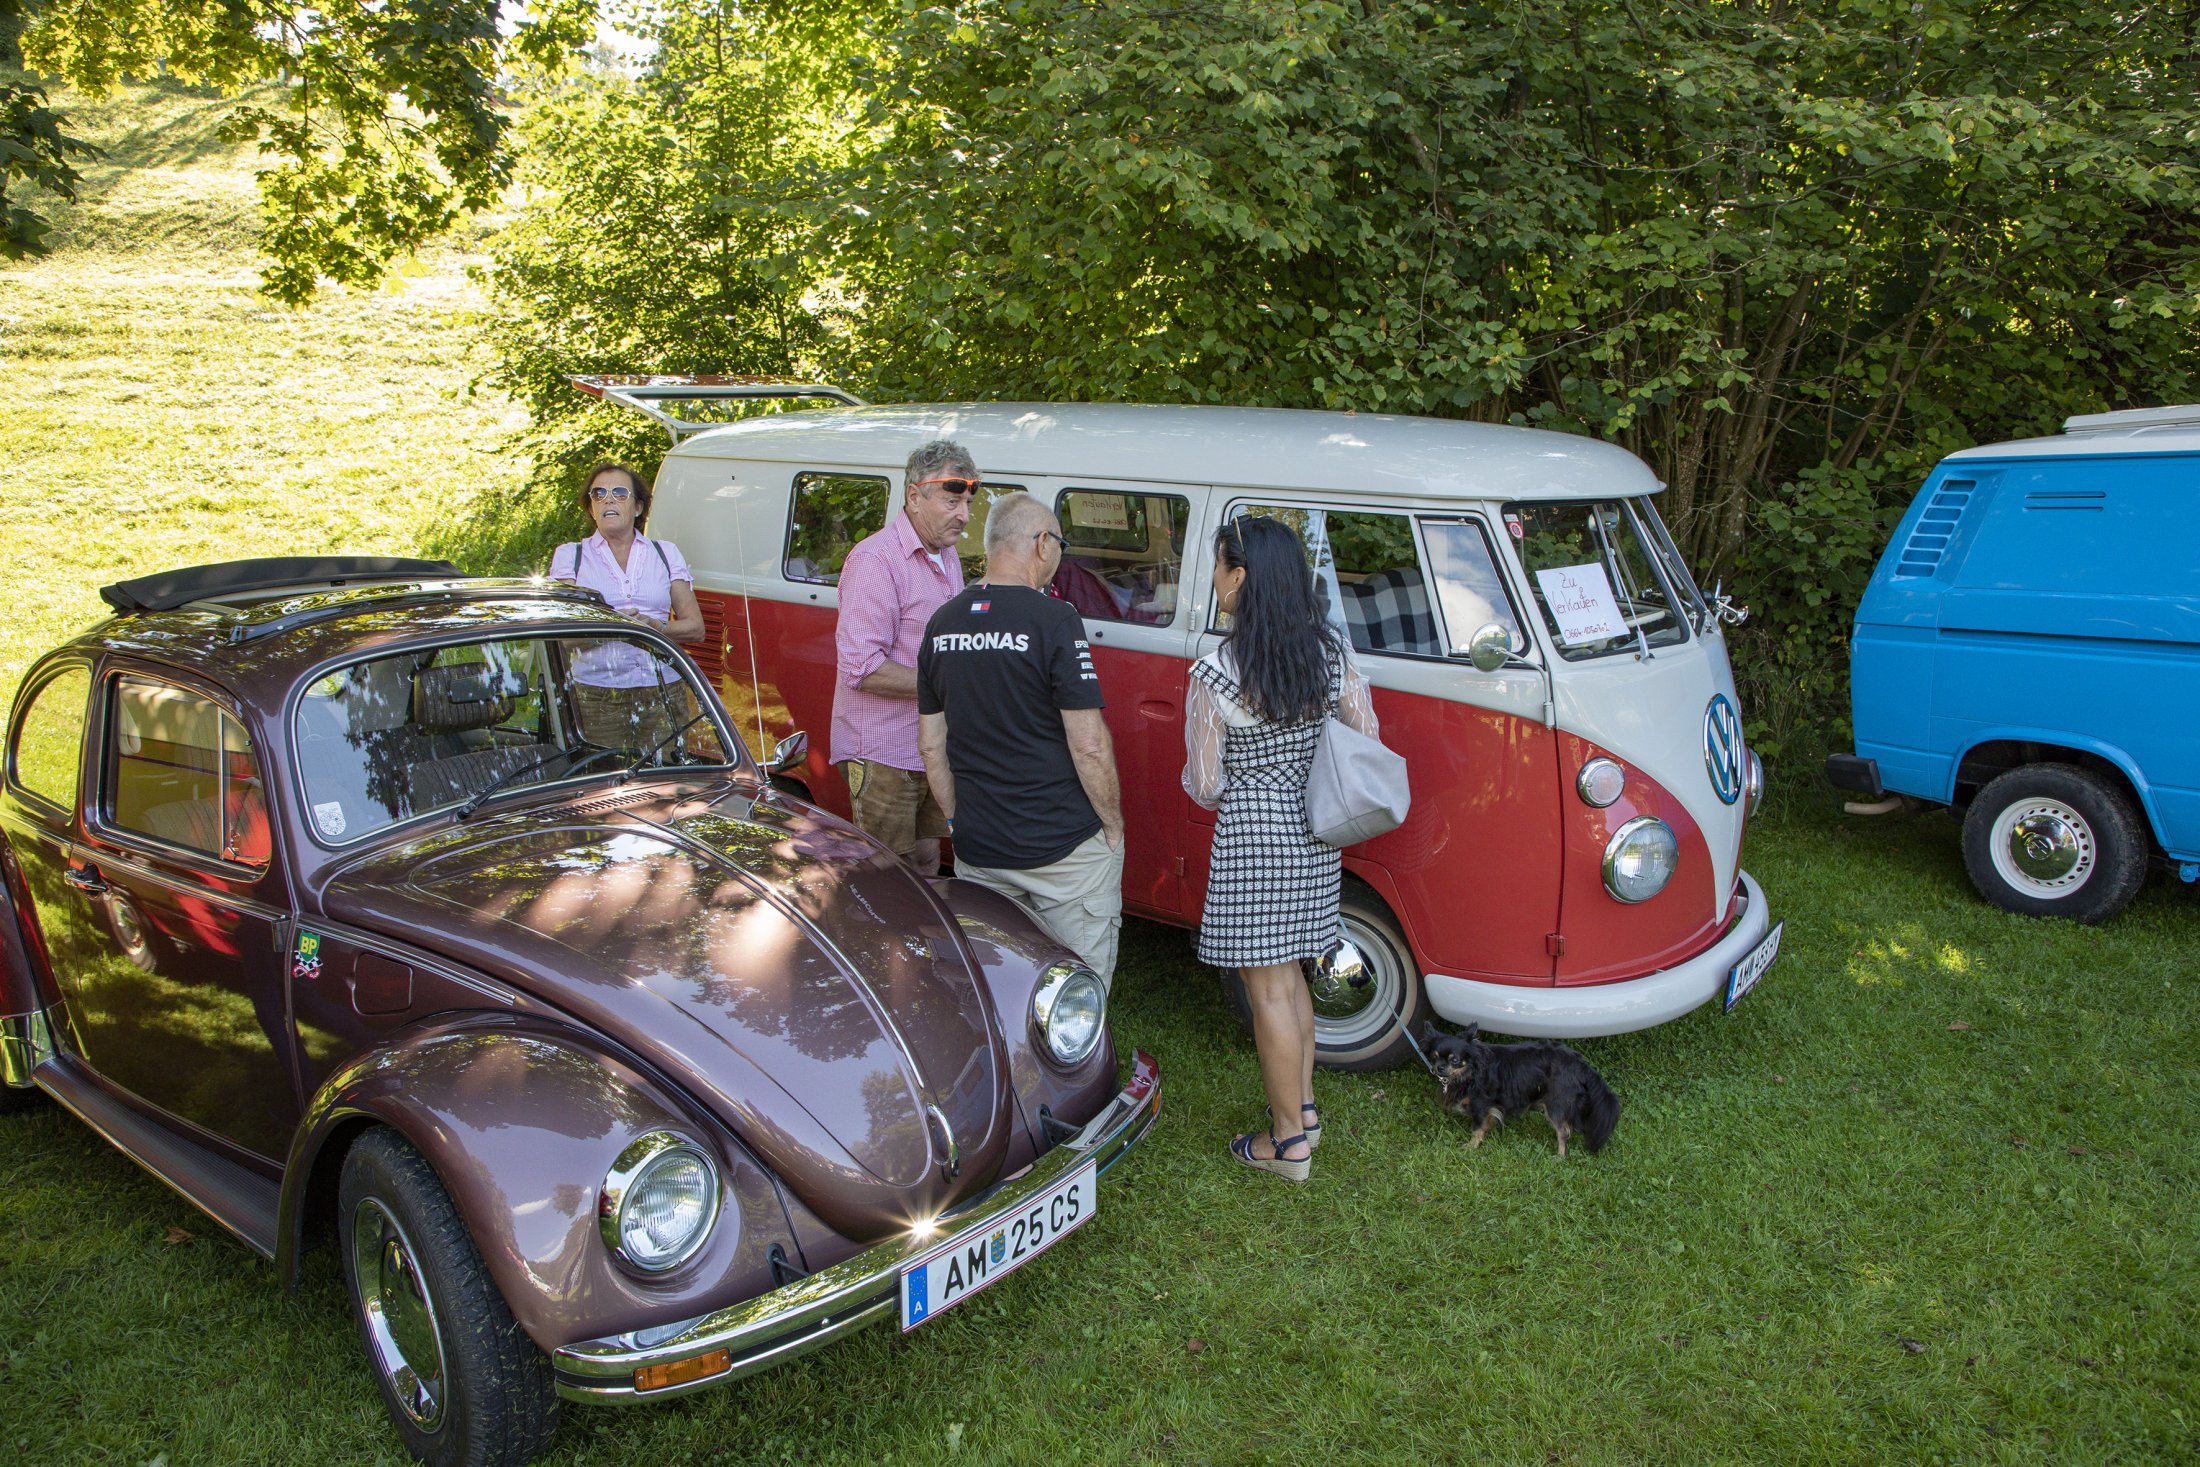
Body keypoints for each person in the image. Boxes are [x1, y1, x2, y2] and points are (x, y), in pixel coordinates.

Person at [1182, 514, 1381, 1183]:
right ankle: (1305, 1109)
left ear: (1240, 577)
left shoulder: (1217, 672)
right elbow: (1366, 735)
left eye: (1219, 567)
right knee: (1292, 975)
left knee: (1267, 989)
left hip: (1253, 837)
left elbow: (1205, 783)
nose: (1215, 579)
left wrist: (1248, 778)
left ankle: (1288, 1142)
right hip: (1316, 832)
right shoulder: (1331, 654)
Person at [917, 494, 1127, 984]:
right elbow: (1089, 745)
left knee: (998, 986)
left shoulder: (942, 623)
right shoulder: (1055, 619)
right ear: (1041, 544)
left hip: (981, 847)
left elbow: (931, 746)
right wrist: (1112, 826)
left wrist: (957, 819)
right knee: (1077, 989)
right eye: (1060, 545)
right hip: (1063, 848)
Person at [832, 439, 974, 873]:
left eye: (968, 503)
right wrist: (950, 686)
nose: (964, 516)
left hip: (930, 745)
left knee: (929, 857)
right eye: (952, 501)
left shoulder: (947, 554)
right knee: (889, 871)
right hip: (883, 751)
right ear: (914, 496)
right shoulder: (875, 560)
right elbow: (862, 668)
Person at [549, 460, 705, 751]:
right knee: (604, 773)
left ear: (638, 507)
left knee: (666, 773)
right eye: (598, 494)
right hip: (596, 693)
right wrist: (612, 627)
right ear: (591, 509)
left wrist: (655, 627)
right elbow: (562, 638)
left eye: (619, 493)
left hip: (663, 689)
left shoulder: (665, 553)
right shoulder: (571, 557)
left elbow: (696, 629)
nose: (608, 499)